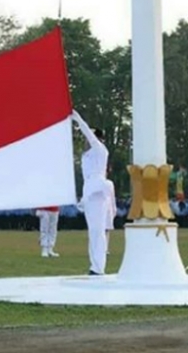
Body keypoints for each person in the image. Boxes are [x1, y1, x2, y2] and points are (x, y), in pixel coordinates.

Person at [71, 110, 109, 276]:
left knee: (97, 230)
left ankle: (98, 267)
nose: (86, 140)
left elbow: (88, 133)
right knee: (93, 231)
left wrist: (77, 118)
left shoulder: (100, 150)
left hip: (97, 190)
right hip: (89, 190)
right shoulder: (88, 155)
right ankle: (95, 265)